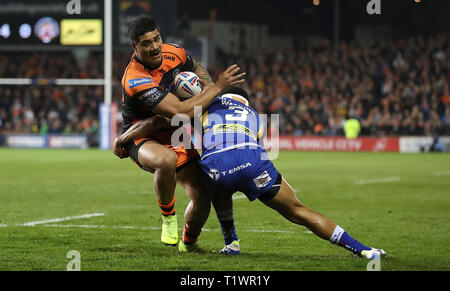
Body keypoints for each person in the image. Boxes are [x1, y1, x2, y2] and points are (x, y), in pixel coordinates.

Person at [117, 87, 386, 259]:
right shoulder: (255, 115)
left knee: (216, 182)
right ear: (244, 101)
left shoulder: (204, 107)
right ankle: (362, 249)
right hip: (254, 162)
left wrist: (124, 138)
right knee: (299, 211)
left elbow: (160, 121)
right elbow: (258, 147)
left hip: (217, 167)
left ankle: (229, 240)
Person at [115, 15, 245, 247]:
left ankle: (189, 242)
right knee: (166, 160)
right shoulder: (135, 78)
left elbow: (195, 66)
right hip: (142, 136)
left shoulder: (174, 52)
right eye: (146, 43)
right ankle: (168, 218)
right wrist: (216, 88)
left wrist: (204, 84)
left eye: (157, 39)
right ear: (134, 46)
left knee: (204, 195)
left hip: (175, 133)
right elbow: (179, 112)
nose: (154, 46)